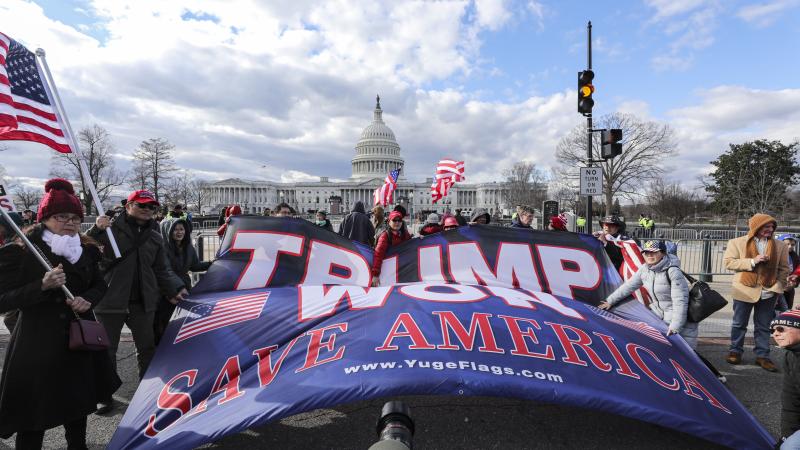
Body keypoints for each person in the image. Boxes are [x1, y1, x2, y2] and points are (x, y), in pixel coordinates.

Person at [0, 178, 120, 449]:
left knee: (77, 406)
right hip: (37, 343)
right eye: (61, 216)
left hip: (79, 340)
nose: (70, 222)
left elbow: (99, 284)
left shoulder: (86, 249)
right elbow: (2, 300)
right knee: (34, 412)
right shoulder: (22, 250)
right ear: (44, 219)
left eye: (75, 217)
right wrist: (41, 286)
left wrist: (88, 300)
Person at [88, 189, 187, 413]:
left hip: (143, 301)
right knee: (106, 350)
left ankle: (147, 393)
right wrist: (96, 230)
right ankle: (104, 394)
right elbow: (83, 250)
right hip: (110, 298)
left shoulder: (155, 235)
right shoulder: (109, 228)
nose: (147, 209)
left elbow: (161, 269)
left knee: (147, 348)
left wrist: (176, 288)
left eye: (151, 206)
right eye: (141, 205)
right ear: (128, 206)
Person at [723, 213, 789, 372]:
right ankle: (735, 351)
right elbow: (729, 263)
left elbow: (784, 269)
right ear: (756, 227)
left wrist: (778, 286)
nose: (770, 229)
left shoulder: (780, 245)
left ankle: (762, 356)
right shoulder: (736, 242)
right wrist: (753, 261)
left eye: (772, 226)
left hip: (769, 291)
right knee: (739, 324)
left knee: (764, 326)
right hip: (744, 291)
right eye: (766, 226)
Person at [600, 240, 696, 344]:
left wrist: (675, 326)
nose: (649, 255)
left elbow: (680, 302)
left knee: (682, 351)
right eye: (646, 252)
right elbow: (628, 286)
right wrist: (610, 301)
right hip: (660, 314)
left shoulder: (673, 272)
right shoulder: (645, 269)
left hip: (679, 319)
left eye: (654, 252)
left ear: (663, 253)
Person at [155, 218, 212, 344]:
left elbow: (194, 266)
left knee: (182, 322)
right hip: (167, 291)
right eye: (175, 230)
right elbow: (166, 270)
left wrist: (211, 264)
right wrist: (178, 287)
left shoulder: (188, 247)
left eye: (181, 229)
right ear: (168, 231)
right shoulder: (162, 248)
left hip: (184, 288)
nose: (179, 232)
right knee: (165, 323)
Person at [772, 311, 800, 449]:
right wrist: (786, 436)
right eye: (773, 330)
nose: (775, 334)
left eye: (781, 329)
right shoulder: (790, 356)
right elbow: (791, 401)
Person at [371, 211, 412, 286]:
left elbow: (412, 246)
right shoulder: (385, 236)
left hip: (402, 271)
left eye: (399, 220)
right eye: (394, 220)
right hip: (388, 272)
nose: (397, 223)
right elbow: (378, 255)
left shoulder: (405, 234)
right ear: (389, 222)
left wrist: (419, 240)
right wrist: (375, 275)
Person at [0, 211, 24, 334]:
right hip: (16, 290)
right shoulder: (10, 240)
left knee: (11, 319)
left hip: (20, 290)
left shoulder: (16, 244)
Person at [778, 234, 800, 310]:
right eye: (787, 244)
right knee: (776, 311)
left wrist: (794, 282)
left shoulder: (795, 256)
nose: (790, 246)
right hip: (777, 288)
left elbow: (797, 271)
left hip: (789, 288)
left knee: (787, 309)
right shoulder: (775, 255)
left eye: (792, 245)